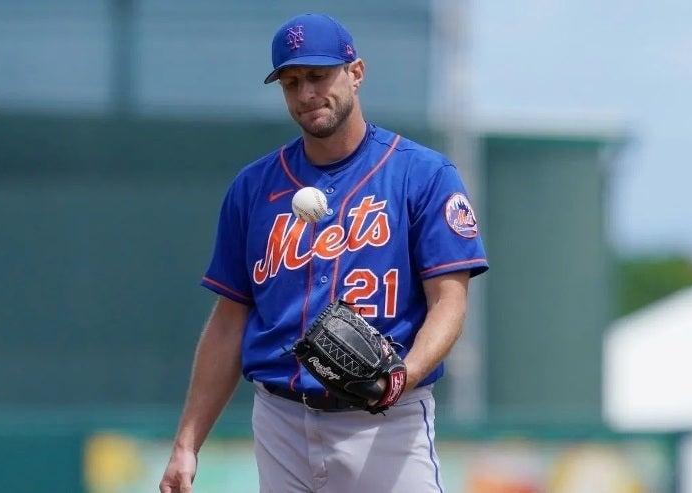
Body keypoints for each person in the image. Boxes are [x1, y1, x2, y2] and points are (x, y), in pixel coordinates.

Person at [159, 12, 488, 493]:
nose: (306, 93)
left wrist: (403, 375)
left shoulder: (422, 175)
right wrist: (187, 443)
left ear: (356, 73)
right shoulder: (253, 188)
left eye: (318, 75)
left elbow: (449, 302)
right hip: (280, 421)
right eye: (291, 83)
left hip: (386, 423)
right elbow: (229, 321)